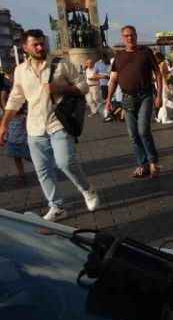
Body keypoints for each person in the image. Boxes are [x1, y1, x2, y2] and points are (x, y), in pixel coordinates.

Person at [0, 29, 100, 221]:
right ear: (25, 47)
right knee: (43, 170)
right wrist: (3, 125)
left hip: (58, 123)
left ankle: (87, 190)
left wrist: (60, 88)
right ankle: (56, 207)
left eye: (42, 43)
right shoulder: (20, 71)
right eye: (35, 44)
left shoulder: (61, 64)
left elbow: (83, 86)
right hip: (34, 127)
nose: (40, 47)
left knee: (65, 162)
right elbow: (15, 100)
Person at [106, 25, 162, 179]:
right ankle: (142, 164)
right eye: (126, 36)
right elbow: (113, 80)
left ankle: (153, 162)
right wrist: (108, 99)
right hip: (127, 99)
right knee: (133, 134)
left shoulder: (146, 52)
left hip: (145, 95)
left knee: (143, 130)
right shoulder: (119, 57)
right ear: (122, 38)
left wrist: (159, 95)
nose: (129, 38)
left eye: (132, 35)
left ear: (136, 36)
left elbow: (158, 74)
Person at [154, 53, 173, 125]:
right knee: (165, 100)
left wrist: (170, 71)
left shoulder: (158, 65)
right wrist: (166, 85)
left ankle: (159, 117)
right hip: (163, 83)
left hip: (158, 83)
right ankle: (164, 119)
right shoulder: (163, 63)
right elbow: (163, 75)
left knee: (163, 100)